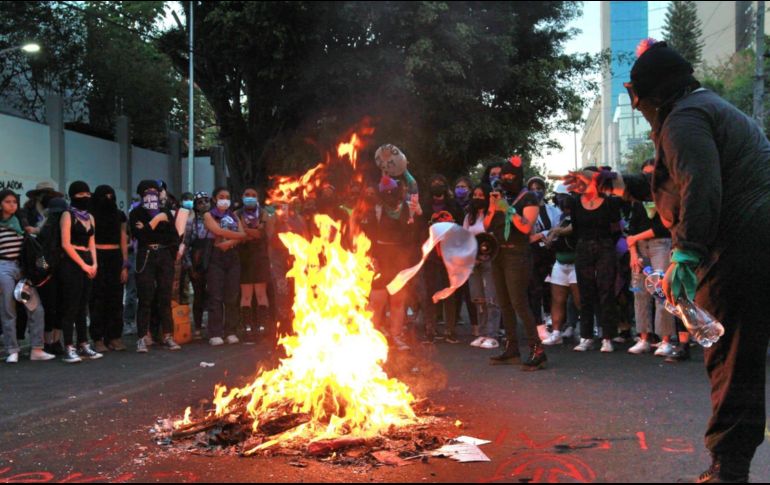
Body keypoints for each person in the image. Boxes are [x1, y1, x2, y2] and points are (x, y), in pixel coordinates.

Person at [569, 39, 770, 482]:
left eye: (635, 94)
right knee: (737, 356)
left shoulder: (685, 119)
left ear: (652, 93)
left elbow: (702, 187)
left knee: (733, 360)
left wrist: (686, 251)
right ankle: (729, 463)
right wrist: (608, 183)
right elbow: (674, 184)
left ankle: (729, 469)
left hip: (739, 250)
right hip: (745, 245)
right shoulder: (698, 110)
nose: (635, 103)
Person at [485, 156, 546, 371]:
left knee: (519, 302)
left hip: (518, 255)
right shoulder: (500, 197)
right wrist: (494, 207)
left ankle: (537, 348)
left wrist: (508, 210)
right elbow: (486, 225)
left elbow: (525, 228)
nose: (507, 178)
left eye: (511, 175)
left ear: (519, 177)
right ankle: (511, 347)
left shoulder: (528, 197)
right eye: (504, 175)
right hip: (498, 254)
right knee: (504, 303)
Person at [567, 169, 622, 354]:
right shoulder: (575, 202)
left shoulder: (610, 202)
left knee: (606, 291)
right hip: (583, 247)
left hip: (605, 246)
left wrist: (606, 246)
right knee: (585, 291)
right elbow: (574, 228)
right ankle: (586, 336)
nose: (581, 184)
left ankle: (607, 336)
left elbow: (616, 229)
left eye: (586, 180)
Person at [625, 160, 675, 357]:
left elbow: (665, 227)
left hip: (661, 245)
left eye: (651, 175)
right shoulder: (637, 200)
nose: (648, 179)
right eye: (644, 175)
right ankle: (644, 338)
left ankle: (665, 340)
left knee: (661, 292)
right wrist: (633, 252)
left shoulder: (667, 198)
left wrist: (635, 239)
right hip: (639, 248)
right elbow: (631, 228)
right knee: (639, 293)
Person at [0, 189, 55, 363]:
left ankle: (37, 349)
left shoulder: (22, 223)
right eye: (8, 201)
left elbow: (32, 249)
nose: (12, 205)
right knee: (8, 310)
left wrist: (43, 268)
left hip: (22, 268)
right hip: (4, 267)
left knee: (36, 309)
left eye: (14, 202)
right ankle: (12, 350)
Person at [368, 176, 422, 351]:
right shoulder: (375, 209)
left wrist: (419, 214)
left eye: (392, 190)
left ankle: (396, 336)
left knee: (398, 301)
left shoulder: (408, 208)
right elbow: (367, 234)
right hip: (380, 258)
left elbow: (417, 231)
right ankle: (371, 337)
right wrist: (371, 257)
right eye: (385, 191)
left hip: (401, 258)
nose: (389, 194)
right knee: (377, 301)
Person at [129, 180, 181, 353]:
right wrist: (156, 220)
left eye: (154, 191)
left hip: (164, 255)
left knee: (165, 296)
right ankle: (143, 336)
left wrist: (150, 229)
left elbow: (172, 236)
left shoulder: (166, 211)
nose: (151, 194)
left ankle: (168, 335)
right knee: (145, 296)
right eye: (147, 191)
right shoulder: (136, 213)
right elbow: (140, 236)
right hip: (146, 255)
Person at [58, 181, 102, 363]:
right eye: (81, 194)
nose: (85, 198)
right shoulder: (67, 215)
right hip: (71, 262)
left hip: (88, 260)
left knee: (84, 305)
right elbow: (65, 244)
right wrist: (83, 265)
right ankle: (69, 346)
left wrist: (94, 264)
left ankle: (83, 343)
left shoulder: (90, 217)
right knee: (71, 305)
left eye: (87, 194)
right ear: (73, 196)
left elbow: (92, 243)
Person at [421, 175, 463, 344]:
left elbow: (461, 229)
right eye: (434, 184)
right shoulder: (424, 208)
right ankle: (430, 330)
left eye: (441, 184)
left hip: (449, 255)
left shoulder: (455, 207)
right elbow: (419, 228)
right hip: (431, 255)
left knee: (450, 292)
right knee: (430, 293)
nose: (437, 187)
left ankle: (450, 331)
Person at [203, 187, 247, 346]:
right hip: (216, 256)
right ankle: (215, 332)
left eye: (227, 197)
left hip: (232, 256)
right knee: (215, 295)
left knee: (232, 295)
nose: (225, 200)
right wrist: (234, 236)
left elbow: (243, 235)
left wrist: (229, 241)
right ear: (215, 199)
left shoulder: (234, 215)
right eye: (221, 197)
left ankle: (231, 331)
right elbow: (216, 230)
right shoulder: (209, 215)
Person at [89, 185, 128, 353]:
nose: (108, 199)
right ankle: (97, 338)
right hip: (97, 255)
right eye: (105, 196)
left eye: (111, 195)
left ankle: (114, 336)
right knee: (97, 299)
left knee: (116, 299)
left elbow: (123, 239)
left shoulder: (119, 216)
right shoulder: (91, 215)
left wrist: (125, 264)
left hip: (115, 257)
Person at [463, 184, 502, 349]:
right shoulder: (468, 217)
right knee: (478, 298)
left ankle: (493, 335)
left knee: (491, 298)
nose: (478, 198)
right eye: (475, 195)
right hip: (474, 262)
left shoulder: (493, 215)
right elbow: (464, 237)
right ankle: (482, 333)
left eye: (481, 195)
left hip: (490, 260)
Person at [541, 184, 580, 346]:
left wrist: (555, 232)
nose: (562, 201)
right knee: (557, 299)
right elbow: (553, 231)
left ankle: (586, 333)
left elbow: (570, 230)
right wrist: (550, 237)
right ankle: (556, 332)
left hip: (576, 263)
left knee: (579, 300)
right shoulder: (559, 216)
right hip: (560, 262)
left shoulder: (579, 215)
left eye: (564, 198)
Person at [526, 176, 559, 342]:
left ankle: (552, 320)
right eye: (532, 188)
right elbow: (527, 234)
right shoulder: (526, 210)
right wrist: (543, 234)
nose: (536, 192)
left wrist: (551, 236)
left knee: (550, 289)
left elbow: (558, 227)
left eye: (539, 188)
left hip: (550, 253)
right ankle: (538, 324)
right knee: (535, 289)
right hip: (533, 254)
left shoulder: (552, 210)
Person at [236, 187, 272, 342]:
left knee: (261, 293)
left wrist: (247, 231)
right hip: (243, 257)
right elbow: (240, 234)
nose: (250, 197)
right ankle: (247, 326)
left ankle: (262, 326)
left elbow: (262, 234)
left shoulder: (264, 213)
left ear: (258, 198)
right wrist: (252, 232)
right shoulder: (236, 214)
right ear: (242, 197)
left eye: (253, 195)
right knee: (246, 294)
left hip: (260, 256)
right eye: (247, 195)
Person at [38, 197, 68, 355]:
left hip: (48, 275)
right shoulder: (66, 228)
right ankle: (56, 341)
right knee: (60, 307)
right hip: (63, 272)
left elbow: (39, 255)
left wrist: (44, 271)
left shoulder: (44, 229)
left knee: (49, 308)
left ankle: (48, 341)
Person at [184, 191, 211, 339]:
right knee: (198, 296)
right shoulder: (191, 223)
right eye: (200, 202)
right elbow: (186, 245)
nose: (204, 204)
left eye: (206, 201)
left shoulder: (217, 219)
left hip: (213, 262)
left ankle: (216, 327)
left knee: (214, 295)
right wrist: (190, 266)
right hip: (197, 263)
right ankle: (198, 328)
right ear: (195, 205)